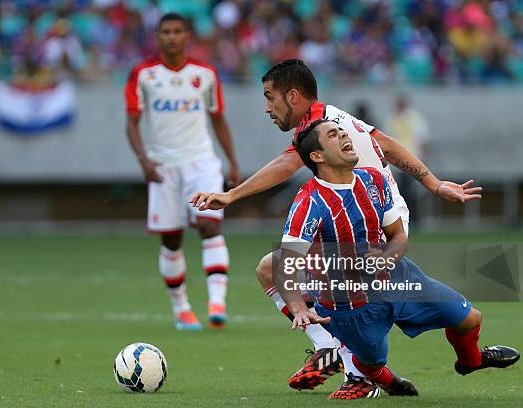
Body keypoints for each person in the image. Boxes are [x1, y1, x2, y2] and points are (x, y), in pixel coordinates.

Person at [190, 59, 482, 398]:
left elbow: (287, 163)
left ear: (294, 96)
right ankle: (343, 354)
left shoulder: (319, 129)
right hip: (380, 216)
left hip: (368, 219)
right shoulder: (334, 117)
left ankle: (354, 368)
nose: (268, 108)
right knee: (276, 269)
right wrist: (433, 184)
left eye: (270, 97)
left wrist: (232, 195)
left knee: (305, 279)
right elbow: (385, 142)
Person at [280, 119, 519, 396]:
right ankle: (386, 380)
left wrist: (386, 258)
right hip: (350, 307)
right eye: (334, 134)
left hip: (397, 278)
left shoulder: (373, 179)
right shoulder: (310, 202)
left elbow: (398, 235)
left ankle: (472, 361)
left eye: (343, 131)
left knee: (470, 318)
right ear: (317, 156)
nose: (345, 136)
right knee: (370, 362)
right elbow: (287, 264)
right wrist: (298, 309)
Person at [125, 13, 240, 331]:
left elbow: (218, 119)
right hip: (163, 165)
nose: (172, 37)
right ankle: (182, 310)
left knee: (208, 224)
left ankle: (217, 304)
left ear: (188, 35)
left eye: (178, 31)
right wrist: (144, 161)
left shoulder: (205, 74)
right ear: (158, 37)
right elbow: (132, 122)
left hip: (202, 160)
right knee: (172, 239)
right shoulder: (143, 74)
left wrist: (232, 161)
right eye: (166, 32)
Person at [384, 94, 429, 222]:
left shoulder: (414, 118)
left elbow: (422, 139)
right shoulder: (393, 118)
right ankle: (405, 218)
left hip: (411, 159)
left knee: (411, 192)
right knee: (401, 191)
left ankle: (414, 219)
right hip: (398, 161)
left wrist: (421, 160)